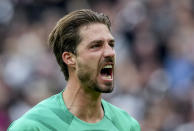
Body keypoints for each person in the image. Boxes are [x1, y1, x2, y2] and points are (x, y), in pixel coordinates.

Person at [8, 9, 141, 131]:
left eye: (111, 45)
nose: (110, 53)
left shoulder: (127, 125)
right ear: (69, 58)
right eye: (96, 46)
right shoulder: (32, 126)